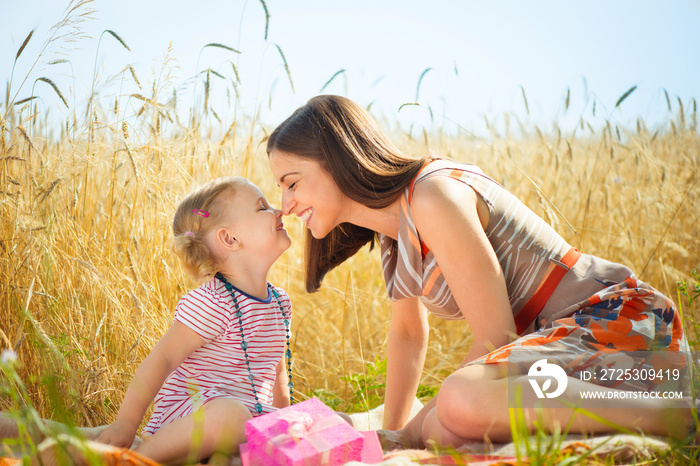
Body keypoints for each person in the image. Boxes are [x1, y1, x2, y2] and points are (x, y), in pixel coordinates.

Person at [266, 95, 692, 449]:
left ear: (337, 159)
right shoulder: (395, 236)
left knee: (459, 400)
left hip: (619, 326)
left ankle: (678, 416)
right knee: (442, 425)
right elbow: (409, 335)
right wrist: (392, 437)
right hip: (557, 355)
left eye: (291, 182)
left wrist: (408, 434)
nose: (284, 204)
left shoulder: (432, 195)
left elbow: (496, 336)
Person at [38, 177, 295, 465]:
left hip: (246, 420)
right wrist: (125, 425)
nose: (279, 210)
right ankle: (135, 459)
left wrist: (286, 423)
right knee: (232, 415)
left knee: (329, 420)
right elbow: (162, 359)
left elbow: (277, 375)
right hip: (195, 416)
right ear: (230, 239)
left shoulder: (279, 302)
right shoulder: (214, 302)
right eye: (263, 207)